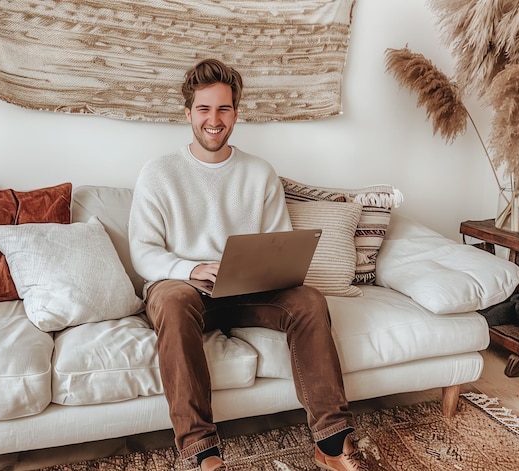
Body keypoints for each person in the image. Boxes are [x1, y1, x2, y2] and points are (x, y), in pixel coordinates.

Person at [128, 58, 360, 471]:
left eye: (223, 109)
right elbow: (143, 252)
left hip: (248, 291)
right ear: (188, 113)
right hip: (184, 289)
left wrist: (269, 270)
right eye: (204, 109)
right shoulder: (158, 173)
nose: (213, 120)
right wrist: (191, 268)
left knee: (308, 300)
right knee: (172, 301)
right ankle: (203, 453)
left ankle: (332, 442)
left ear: (236, 112)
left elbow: (277, 241)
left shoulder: (259, 172)